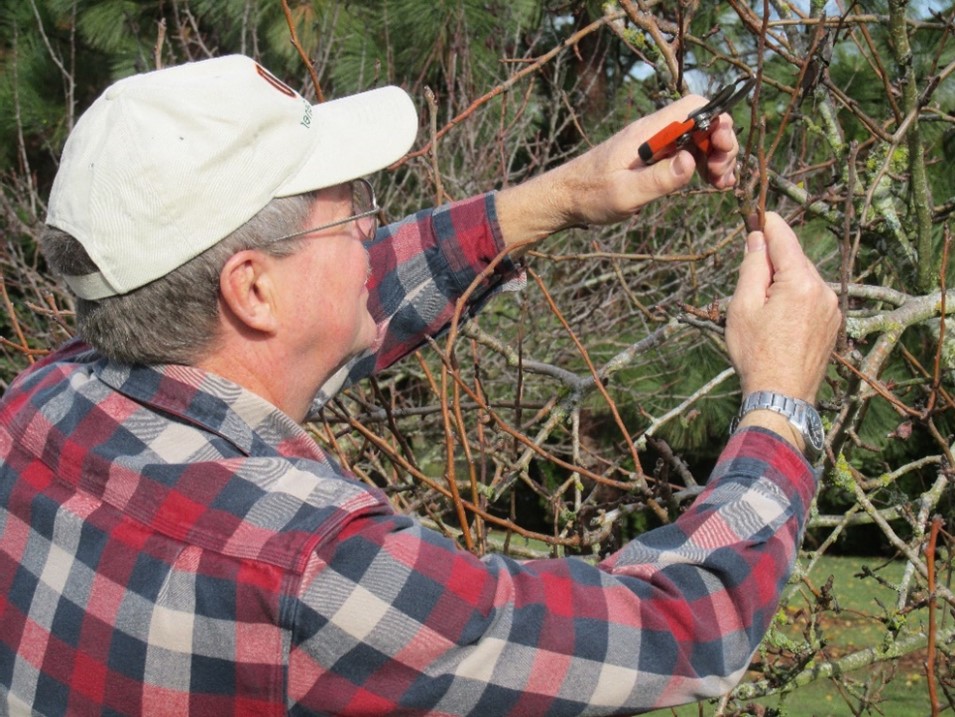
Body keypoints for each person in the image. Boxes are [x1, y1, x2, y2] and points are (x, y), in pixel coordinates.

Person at [0, 54, 839, 716]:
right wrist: (778, 400)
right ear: (253, 289)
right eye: (347, 206)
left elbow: (327, 312)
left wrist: (566, 195)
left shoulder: (43, 403)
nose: (372, 221)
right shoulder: (318, 575)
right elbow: (683, 625)